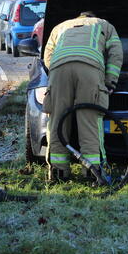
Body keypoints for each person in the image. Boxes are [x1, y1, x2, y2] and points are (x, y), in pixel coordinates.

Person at [42, 12, 123, 182]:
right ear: (92, 16)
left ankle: (58, 172)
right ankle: (92, 173)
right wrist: (109, 82)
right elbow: (116, 54)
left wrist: (57, 78)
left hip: (59, 70)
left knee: (57, 122)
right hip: (89, 70)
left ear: (78, 18)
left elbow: (47, 56)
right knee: (89, 121)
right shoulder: (104, 24)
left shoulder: (60, 27)